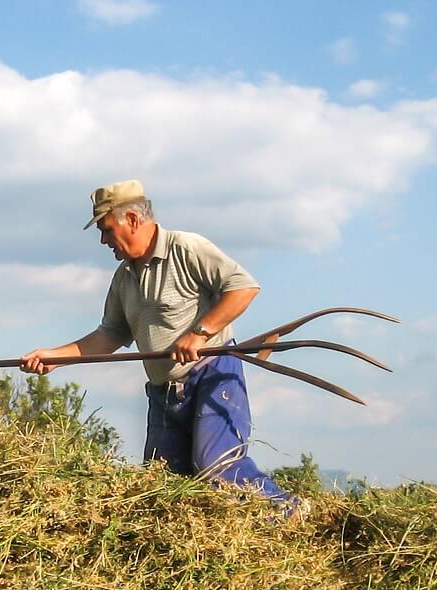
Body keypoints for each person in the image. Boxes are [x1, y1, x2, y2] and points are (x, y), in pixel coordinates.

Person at [21, 179, 289, 504]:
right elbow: (109, 335)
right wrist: (55, 357)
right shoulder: (123, 278)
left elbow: (243, 288)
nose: (104, 241)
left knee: (217, 467)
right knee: (160, 486)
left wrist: (200, 333)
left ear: (133, 220)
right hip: (165, 394)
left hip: (212, 375)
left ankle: (288, 510)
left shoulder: (186, 248)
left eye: (106, 230)